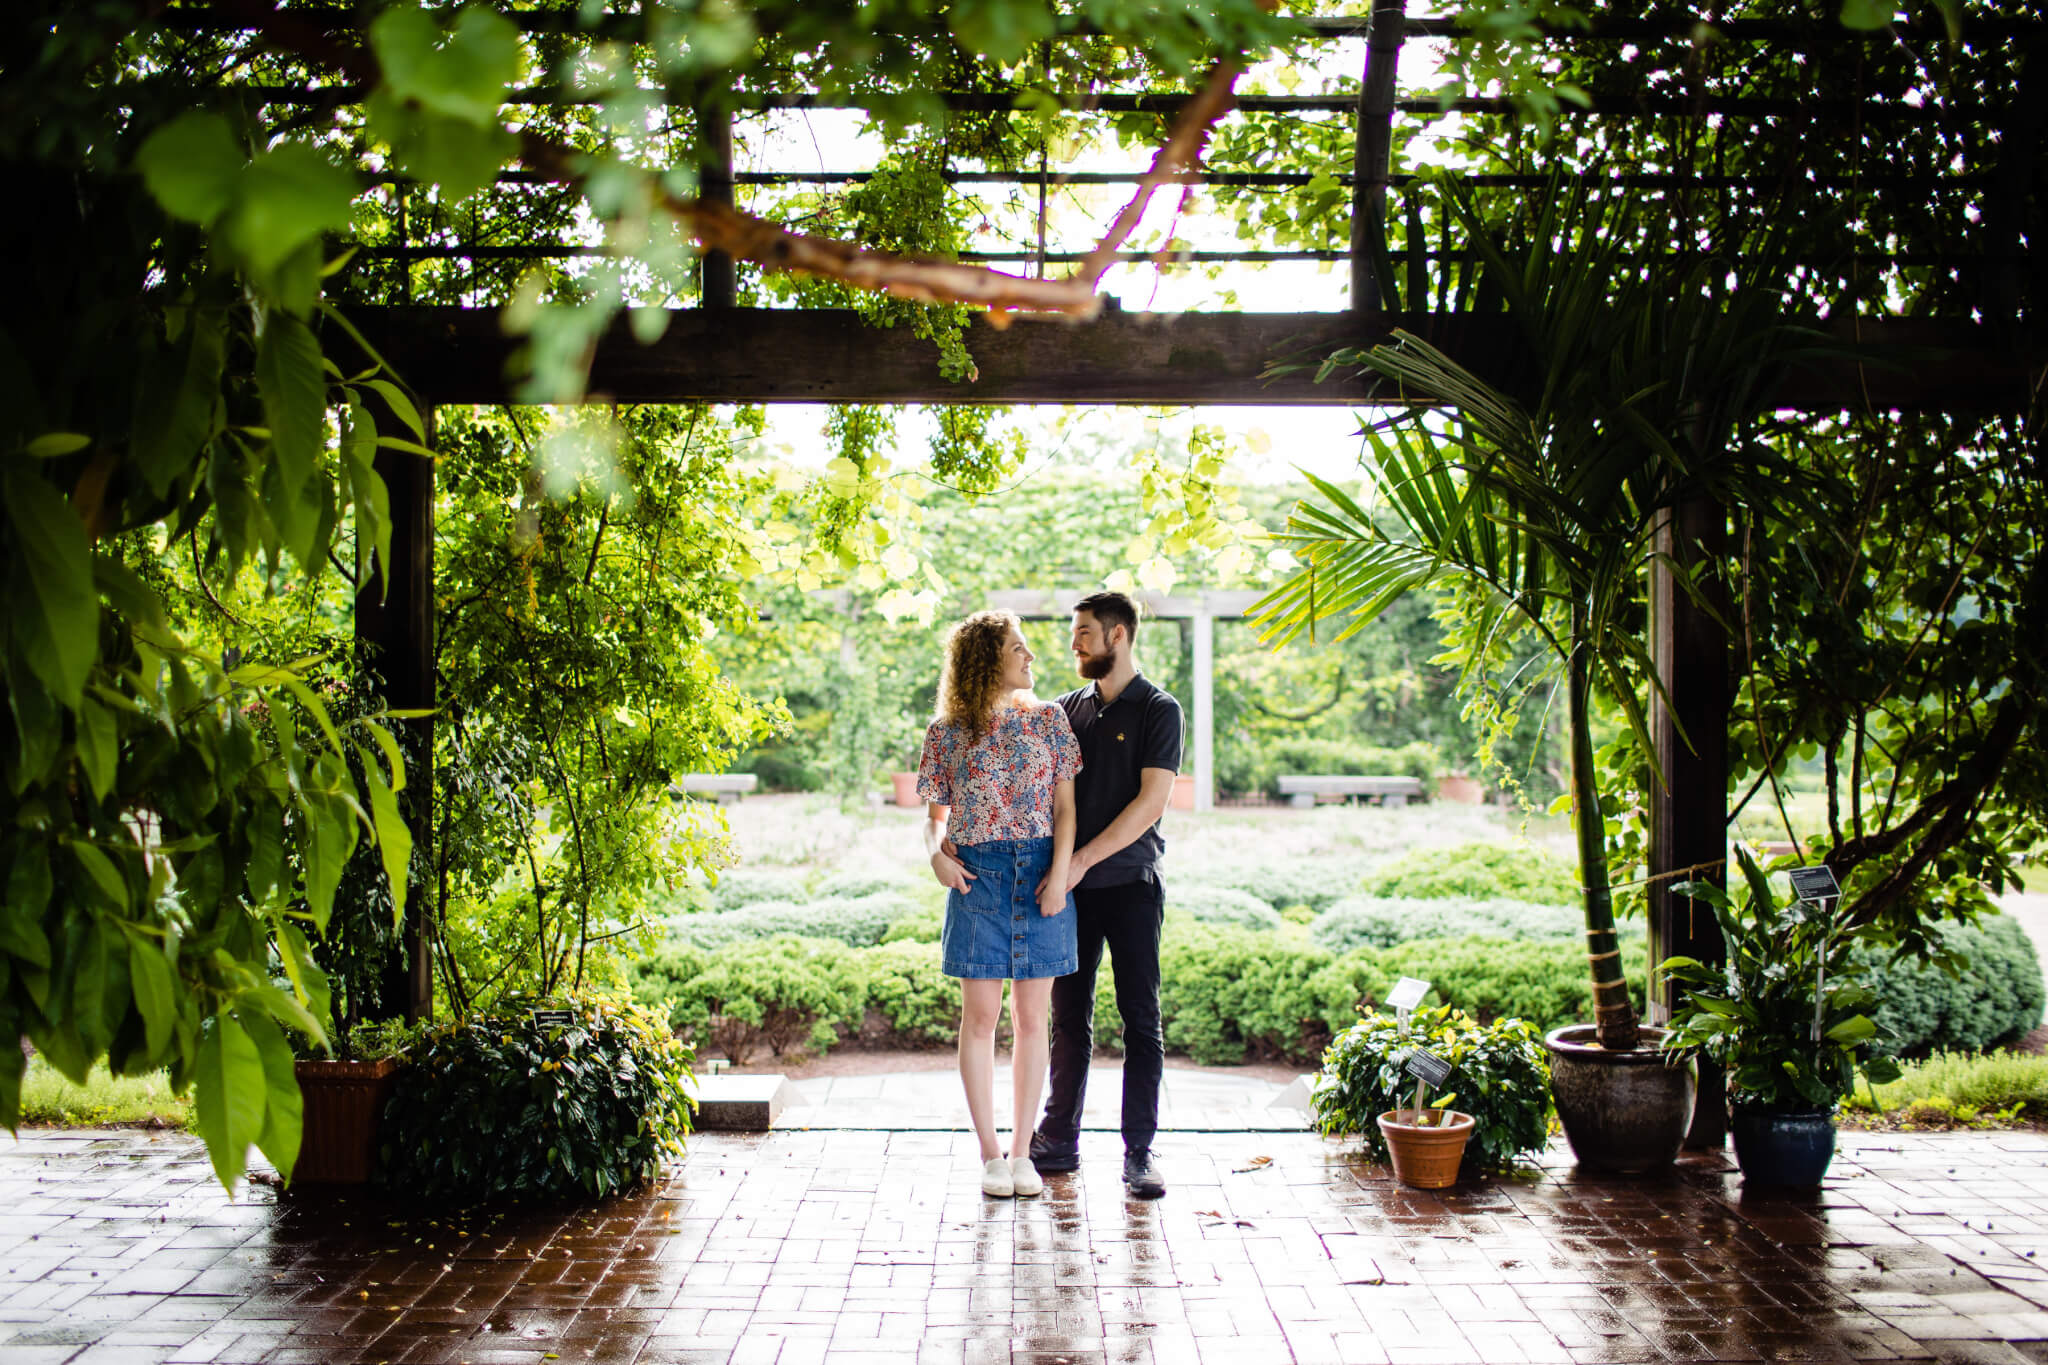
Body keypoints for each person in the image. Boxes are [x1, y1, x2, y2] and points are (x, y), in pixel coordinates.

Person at [917, 609, 1083, 1198]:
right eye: (1019, 648)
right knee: (981, 1020)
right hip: (976, 879)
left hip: (1042, 876)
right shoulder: (946, 731)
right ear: (987, 657)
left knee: (1033, 1020)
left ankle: (1021, 1154)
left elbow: (1066, 810)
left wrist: (1061, 874)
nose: (1031, 657)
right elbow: (935, 820)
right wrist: (936, 855)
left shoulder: (1050, 721)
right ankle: (989, 1154)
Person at [1029, 590, 1184, 1199]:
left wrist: (1082, 861)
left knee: (1141, 1021)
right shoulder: (1067, 709)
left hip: (1131, 889)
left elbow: (1150, 804)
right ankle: (1058, 1139)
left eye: (1084, 634)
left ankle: (1139, 1153)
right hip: (1070, 894)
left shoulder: (1159, 709)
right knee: (1069, 1020)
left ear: (1118, 636)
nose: (1074, 645)